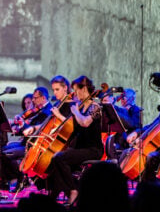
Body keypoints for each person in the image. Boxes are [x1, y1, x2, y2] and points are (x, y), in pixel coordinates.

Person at [46, 76, 103, 205]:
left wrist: (76, 112)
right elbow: (70, 126)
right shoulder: (81, 106)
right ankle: (54, 198)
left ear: (84, 89)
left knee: (59, 158)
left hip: (93, 149)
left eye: (76, 90)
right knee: (54, 163)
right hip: (80, 148)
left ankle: (73, 190)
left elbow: (85, 122)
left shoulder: (96, 107)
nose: (75, 94)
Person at [102, 88, 142, 160]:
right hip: (118, 137)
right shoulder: (120, 109)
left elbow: (135, 125)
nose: (122, 99)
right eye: (121, 97)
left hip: (128, 137)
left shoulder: (135, 109)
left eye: (124, 97)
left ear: (132, 98)